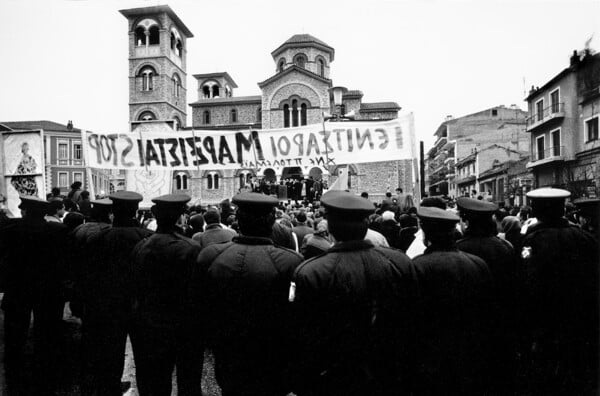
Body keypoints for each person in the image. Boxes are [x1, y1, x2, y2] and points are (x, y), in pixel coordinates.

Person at [291, 190, 419, 395]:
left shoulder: (311, 271)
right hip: (388, 372)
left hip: (335, 378)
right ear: (366, 223)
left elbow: (305, 335)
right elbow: (412, 320)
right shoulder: (399, 261)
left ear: (330, 227)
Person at [194, 192, 303, 396]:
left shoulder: (211, 255)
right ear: (272, 222)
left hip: (229, 350)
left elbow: (202, 306)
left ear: (238, 221)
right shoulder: (291, 261)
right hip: (272, 352)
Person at [520, 188, 599, 394]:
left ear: (536, 211)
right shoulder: (585, 238)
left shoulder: (533, 241)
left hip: (546, 323)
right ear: (562, 209)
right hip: (581, 320)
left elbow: (527, 283)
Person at [412, 206, 494, 395]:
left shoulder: (418, 265)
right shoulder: (476, 263)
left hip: (432, 353)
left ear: (426, 235)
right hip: (470, 349)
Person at [131, 194, 204, 396]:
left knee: (154, 381)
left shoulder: (142, 246)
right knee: (188, 381)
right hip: (183, 326)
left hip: (150, 323)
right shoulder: (191, 248)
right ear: (180, 217)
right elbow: (197, 292)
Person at [81, 191, 153, 395]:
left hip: (108, 305)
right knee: (145, 356)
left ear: (113, 211)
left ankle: (110, 388)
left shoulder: (98, 238)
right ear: (136, 211)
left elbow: (89, 273)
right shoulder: (147, 237)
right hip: (140, 306)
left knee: (110, 353)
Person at [0, 195, 69, 394]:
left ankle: (14, 376)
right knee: (46, 335)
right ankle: (45, 376)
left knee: (15, 335)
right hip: (47, 290)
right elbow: (63, 263)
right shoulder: (57, 231)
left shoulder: (10, 231)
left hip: (18, 289)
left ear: (25, 211)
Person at [455, 197, 519, 393]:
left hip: (468, 322)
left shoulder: (459, 247)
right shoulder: (505, 247)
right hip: (499, 319)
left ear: (466, 221)